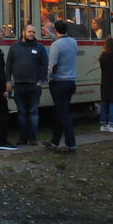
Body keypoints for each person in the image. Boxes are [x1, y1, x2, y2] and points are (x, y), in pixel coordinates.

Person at [5, 24, 48, 146]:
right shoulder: (15, 47)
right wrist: (8, 80)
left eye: (34, 32)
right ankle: (22, 139)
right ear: (23, 32)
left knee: (33, 112)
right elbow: (8, 65)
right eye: (30, 31)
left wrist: (40, 81)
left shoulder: (40, 48)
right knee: (21, 112)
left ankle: (33, 139)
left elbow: (44, 66)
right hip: (19, 85)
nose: (32, 34)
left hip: (34, 86)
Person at [44, 20, 78, 153]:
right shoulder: (73, 42)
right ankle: (54, 141)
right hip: (71, 82)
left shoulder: (55, 45)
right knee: (61, 112)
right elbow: (63, 43)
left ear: (56, 30)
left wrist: (46, 79)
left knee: (64, 115)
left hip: (59, 83)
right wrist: (51, 35)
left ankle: (71, 144)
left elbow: (51, 66)